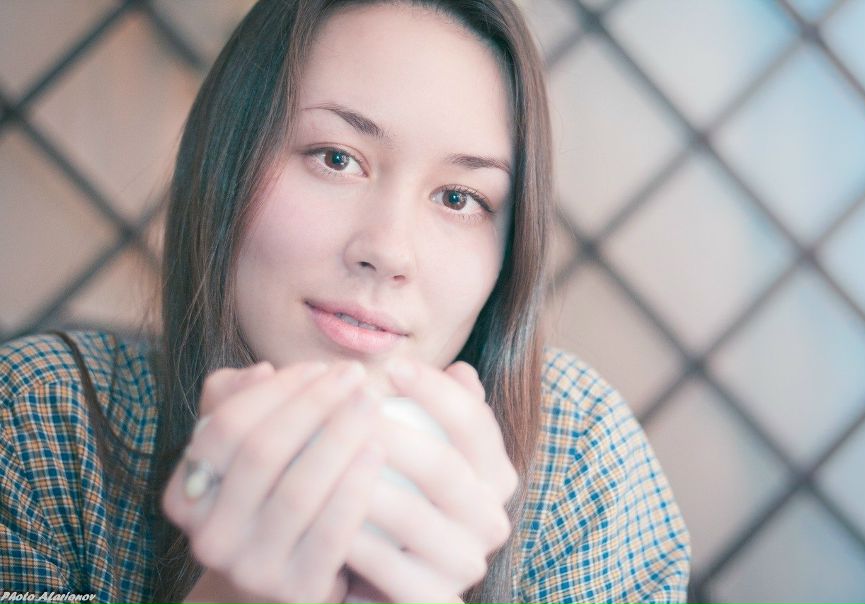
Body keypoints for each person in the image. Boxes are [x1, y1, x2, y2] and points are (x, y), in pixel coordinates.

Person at [0, 0, 691, 603]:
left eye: (459, 198)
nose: (388, 251)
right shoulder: (40, 424)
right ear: (225, 163)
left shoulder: (575, 458)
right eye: (336, 158)